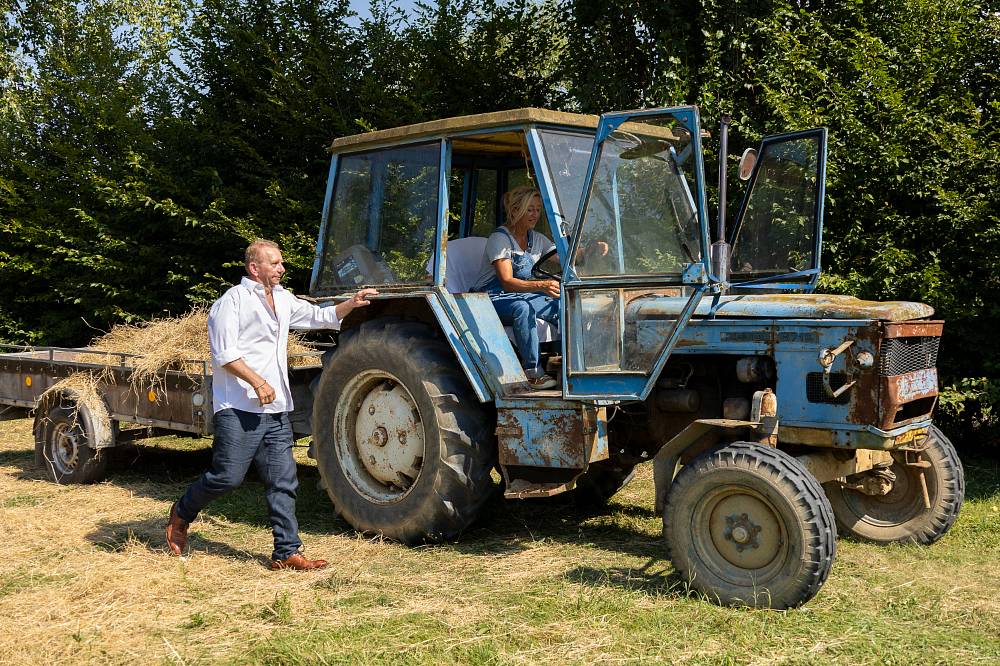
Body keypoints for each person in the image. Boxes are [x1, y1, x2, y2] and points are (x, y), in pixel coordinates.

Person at [165, 239, 378, 570]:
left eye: (281, 263)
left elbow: (319, 316)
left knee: (283, 479)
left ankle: (286, 552)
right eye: (275, 264)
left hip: (276, 408)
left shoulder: (282, 297)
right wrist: (257, 381)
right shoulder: (231, 303)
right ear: (254, 268)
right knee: (228, 477)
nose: (281, 268)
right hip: (239, 408)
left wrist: (351, 303)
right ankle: (181, 513)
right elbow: (225, 355)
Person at [471, 185, 561, 389]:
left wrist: (590, 250)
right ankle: (533, 372)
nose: (535, 214)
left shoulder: (536, 238)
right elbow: (507, 282)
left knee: (562, 304)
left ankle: (568, 363)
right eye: (530, 209)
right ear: (514, 211)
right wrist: (541, 285)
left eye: (538, 209)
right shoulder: (500, 239)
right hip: (490, 297)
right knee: (522, 308)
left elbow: (562, 257)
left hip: (522, 293)